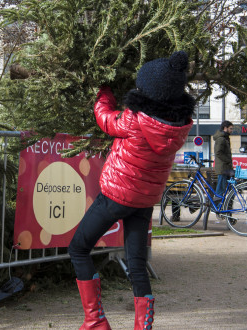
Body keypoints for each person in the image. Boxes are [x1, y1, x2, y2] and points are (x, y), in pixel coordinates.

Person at [68, 51, 195, 330]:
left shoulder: (135, 119)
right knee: (136, 264)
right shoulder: (178, 127)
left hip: (116, 195)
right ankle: (143, 327)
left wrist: (104, 92)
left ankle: (95, 320)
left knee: (78, 248)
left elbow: (105, 119)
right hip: (144, 201)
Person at [214, 120, 233, 196]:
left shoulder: (225, 138)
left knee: (231, 188)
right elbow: (218, 152)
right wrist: (228, 160)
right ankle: (217, 207)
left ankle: (228, 205)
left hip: (227, 167)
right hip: (223, 168)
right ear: (225, 128)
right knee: (221, 189)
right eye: (230, 128)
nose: (232, 130)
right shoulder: (221, 139)